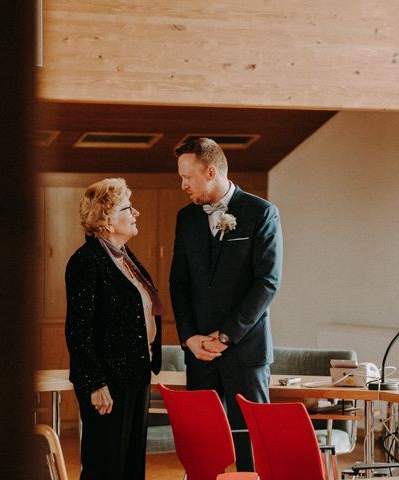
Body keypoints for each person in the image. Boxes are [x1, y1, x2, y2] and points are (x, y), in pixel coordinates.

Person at [169, 137, 283, 471]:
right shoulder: (186, 218)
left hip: (246, 353)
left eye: (187, 176)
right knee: (201, 449)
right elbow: (179, 282)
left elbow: (267, 282)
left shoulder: (261, 213)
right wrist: (190, 337)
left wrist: (226, 336)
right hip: (200, 353)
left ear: (210, 172)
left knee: (252, 449)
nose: (182, 184)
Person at [65, 178, 163, 480]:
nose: (135, 213)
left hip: (135, 374)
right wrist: (95, 383)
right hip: (106, 383)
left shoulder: (125, 257)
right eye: (127, 208)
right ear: (106, 221)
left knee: (131, 466)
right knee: (105, 466)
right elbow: (78, 330)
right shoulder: (87, 261)